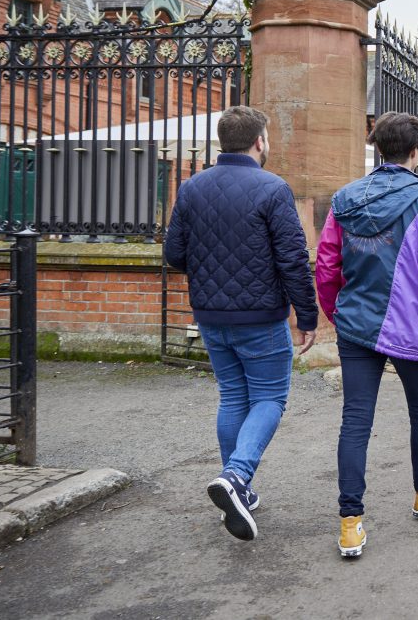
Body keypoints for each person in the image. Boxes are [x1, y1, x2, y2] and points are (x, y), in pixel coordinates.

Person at [315, 112, 418, 559]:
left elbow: (327, 264)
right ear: (416, 152)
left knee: (355, 420)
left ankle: (350, 523)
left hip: (357, 325)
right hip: (412, 326)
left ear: (377, 148)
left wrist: (335, 312)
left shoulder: (345, 199)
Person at [163, 106, 318, 543]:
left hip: (211, 316)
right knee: (269, 397)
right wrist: (306, 316)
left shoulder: (191, 188)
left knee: (233, 396)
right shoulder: (272, 188)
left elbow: (174, 255)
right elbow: (292, 259)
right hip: (260, 316)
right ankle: (235, 476)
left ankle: (239, 492)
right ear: (260, 141)